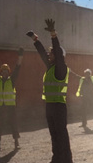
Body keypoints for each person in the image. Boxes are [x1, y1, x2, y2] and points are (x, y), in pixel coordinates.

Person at [26, 19, 73, 163]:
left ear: (60, 56)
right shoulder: (51, 67)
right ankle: (57, 158)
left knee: (61, 135)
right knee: (54, 135)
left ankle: (66, 160)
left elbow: (57, 53)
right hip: (50, 106)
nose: (49, 55)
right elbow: (42, 53)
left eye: (51, 53)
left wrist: (53, 35)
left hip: (59, 107)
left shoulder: (61, 68)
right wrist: (35, 40)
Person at [0, 47, 23, 150]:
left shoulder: (12, 80)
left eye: (6, 71)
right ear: (1, 72)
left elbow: (18, 67)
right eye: (2, 71)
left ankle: (16, 142)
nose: (4, 73)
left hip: (10, 106)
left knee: (13, 124)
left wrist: (20, 56)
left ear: (9, 72)